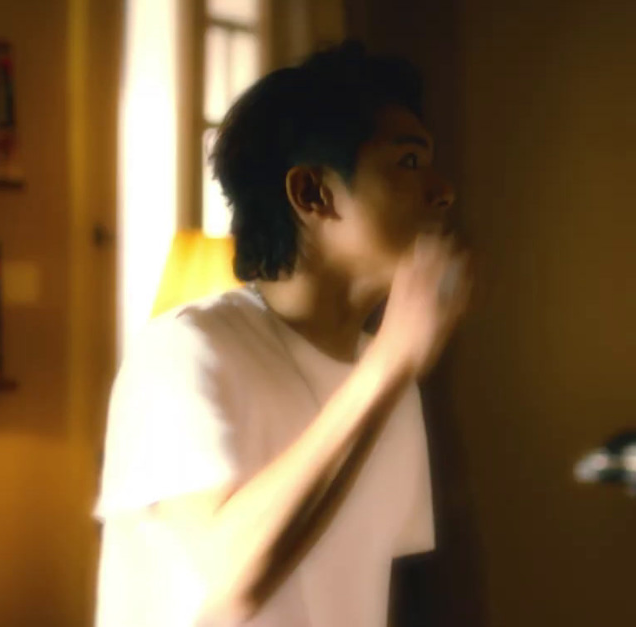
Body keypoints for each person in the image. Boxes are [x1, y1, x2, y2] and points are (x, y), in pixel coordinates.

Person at [94, 41, 468, 627]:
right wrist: (391, 366)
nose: (443, 189)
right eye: (409, 163)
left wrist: (389, 367)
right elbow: (231, 588)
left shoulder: (386, 370)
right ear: (312, 193)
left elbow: (375, 588)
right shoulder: (184, 351)